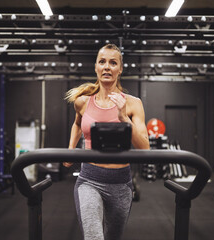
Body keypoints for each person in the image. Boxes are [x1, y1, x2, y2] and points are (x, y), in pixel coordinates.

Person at [64, 43, 150, 240]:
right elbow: (77, 124)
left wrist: (124, 118)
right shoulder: (83, 102)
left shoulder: (133, 103)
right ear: (96, 67)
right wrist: (70, 149)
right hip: (89, 180)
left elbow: (144, 147)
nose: (107, 67)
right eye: (102, 62)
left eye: (113, 63)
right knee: (94, 237)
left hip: (121, 183)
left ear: (120, 69)